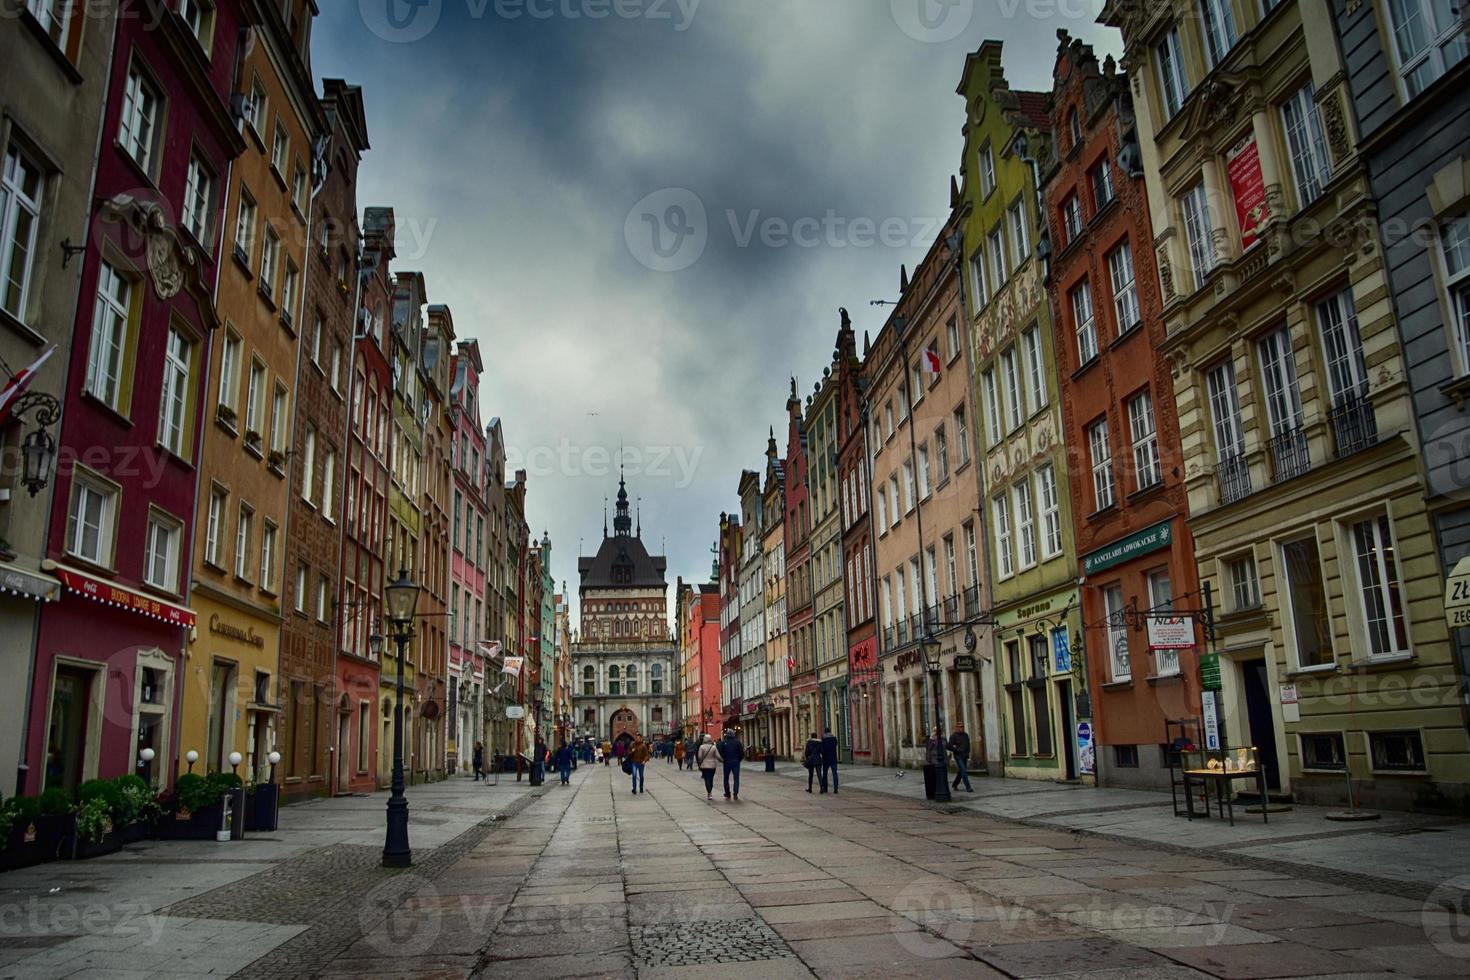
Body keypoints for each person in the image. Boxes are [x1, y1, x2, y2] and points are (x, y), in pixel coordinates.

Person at [947, 721, 973, 793]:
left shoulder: (965, 735)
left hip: (964, 755)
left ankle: (955, 784)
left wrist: (967, 753)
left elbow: (968, 745)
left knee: (961, 771)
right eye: (960, 727)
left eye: (962, 726)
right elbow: (949, 746)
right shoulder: (953, 736)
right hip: (958, 756)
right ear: (957, 727)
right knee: (963, 770)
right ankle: (968, 787)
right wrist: (956, 750)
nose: (962, 728)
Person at [695, 733, 721, 800]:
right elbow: (718, 756)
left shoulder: (701, 747)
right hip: (712, 766)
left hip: (704, 766)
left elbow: (700, 757)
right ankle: (710, 792)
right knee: (711, 779)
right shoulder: (713, 747)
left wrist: (700, 762)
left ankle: (709, 793)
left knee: (707, 779)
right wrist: (722, 760)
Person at [720, 730, 744, 801]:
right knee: (736, 778)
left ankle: (727, 793)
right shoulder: (737, 742)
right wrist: (738, 759)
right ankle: (735, 793)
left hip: (727, 762)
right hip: (735, 762)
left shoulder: (723, 742)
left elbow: (721, 752)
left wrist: (724, 759)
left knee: (726, 778)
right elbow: (742, 753)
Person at [820, 727, 840, 794]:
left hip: (825, 759)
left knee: (825, 773)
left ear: (825, 732)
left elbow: (821, 749)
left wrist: (823, 754)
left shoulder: (823, 739)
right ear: (830, 731)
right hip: (833, 758)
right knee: (835, 773)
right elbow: (836, 745)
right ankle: (836, 788)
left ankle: (825, 788)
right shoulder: (834, 738)